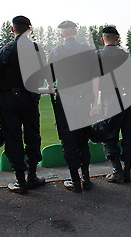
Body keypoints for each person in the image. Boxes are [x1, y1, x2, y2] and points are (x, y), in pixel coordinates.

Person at [0, 16, 45, 194]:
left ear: (12, 29)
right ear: (29, 29)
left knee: (13, 137)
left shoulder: (6, 49)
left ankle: (20, 180)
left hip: (9, 99)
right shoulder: (37, 49)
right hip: (30, 98)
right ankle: (32, 176)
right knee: (32, 135)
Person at [48, 20, 98, 192]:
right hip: (84, 98)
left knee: (68, 140)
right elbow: (95, 76)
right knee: (83, 139)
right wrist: (95, 100)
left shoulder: (57, 51)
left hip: (66, 98)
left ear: (62, 34)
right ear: (75, 32)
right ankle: (86, 178)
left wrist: (51, 86)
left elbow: (49, 76)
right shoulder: (87, 50)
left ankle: (75, 180)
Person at [99, 27, 131, 183]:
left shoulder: (98, 56)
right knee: (129, 135)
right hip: (128, 97)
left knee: (109, 136)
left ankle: (117, 170)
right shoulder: (126, 56)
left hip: (110, 98)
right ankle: (127, 171)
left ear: (103, 39)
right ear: (117, 38)